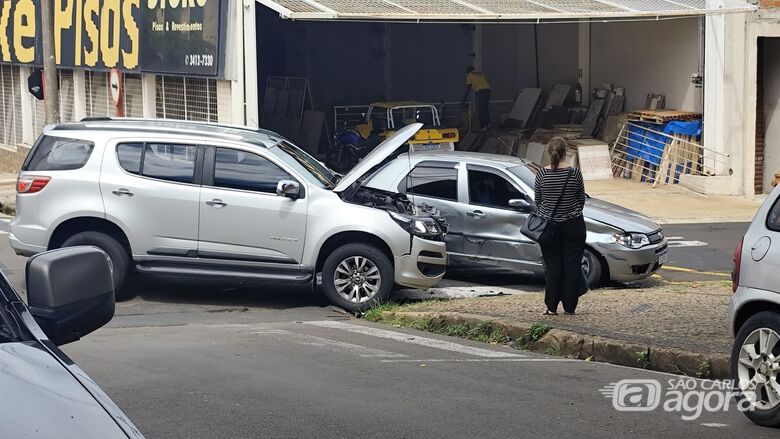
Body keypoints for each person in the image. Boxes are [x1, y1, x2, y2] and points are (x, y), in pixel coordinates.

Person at [533, 137, 587, 315]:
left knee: (553, 266)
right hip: (574, 225)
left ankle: (551, 307)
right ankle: (570, 307)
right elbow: (581, 200)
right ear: (566, 152)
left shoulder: (541, 173)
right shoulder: (575, 173)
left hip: (549, 227)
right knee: (572, 266)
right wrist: (570, 212)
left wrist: (550, 213)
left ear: (549, 152)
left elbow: (538, 201)